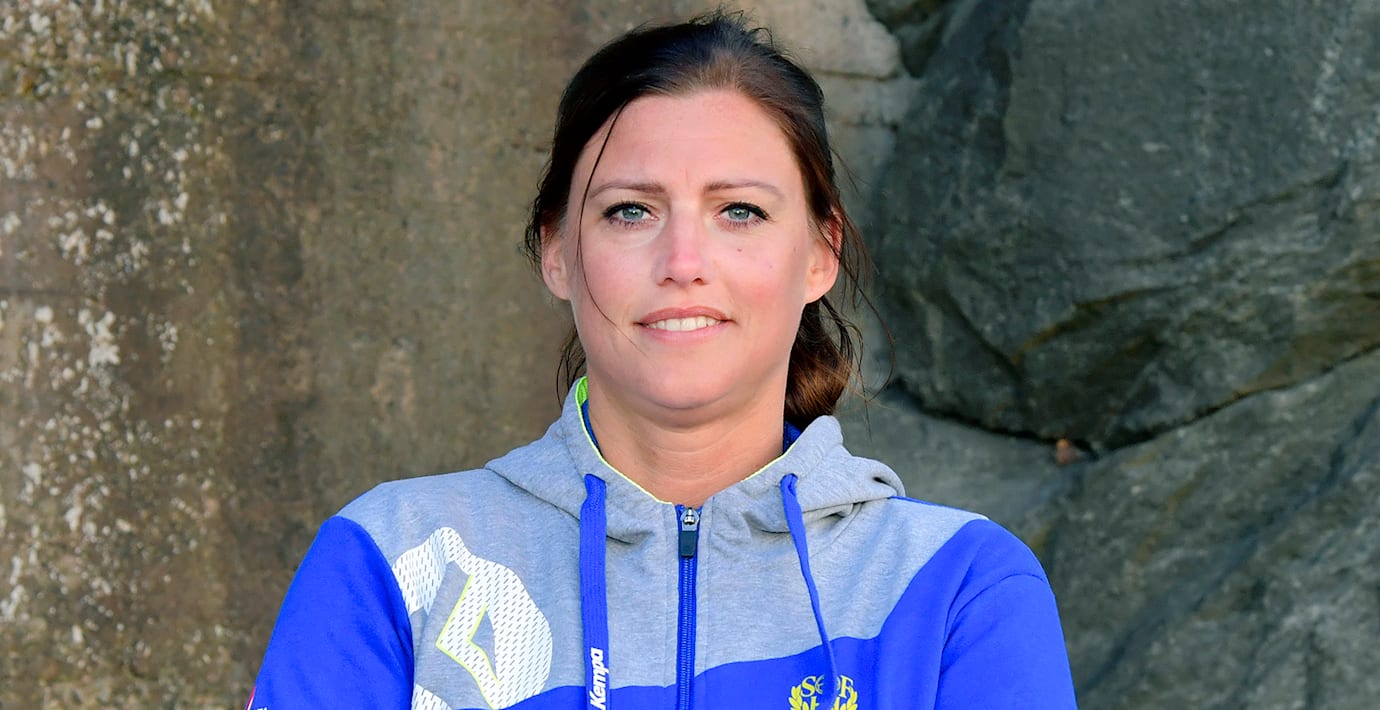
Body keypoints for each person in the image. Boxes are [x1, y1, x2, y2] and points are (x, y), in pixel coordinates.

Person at [247, 11, 1077, 710]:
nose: (684, 261)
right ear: (557, 252)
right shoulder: (391, 563)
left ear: (820, 254)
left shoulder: (959, 586)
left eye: (740, 211)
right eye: (630, 211)